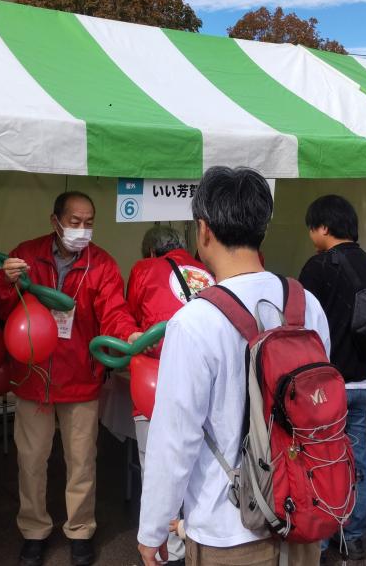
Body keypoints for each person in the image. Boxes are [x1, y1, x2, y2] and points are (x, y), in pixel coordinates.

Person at [137, 167, 330, 566]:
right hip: (301, 512)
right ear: (263, 227)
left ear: (203, 230)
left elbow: (174, 438)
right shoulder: (305, 303)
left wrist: (153, 529)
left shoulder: (194, 321)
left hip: (229, 527)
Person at [0, 191, 139, 566]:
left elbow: (114, 312)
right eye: (74, 222)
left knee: (82, 462)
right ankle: (34, 530)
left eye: (89, 223)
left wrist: (128, 333)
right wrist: (3, 280)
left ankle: (80, 530)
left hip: (80, 378)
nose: (82, 230)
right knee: (31, 460)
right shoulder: (27, 255)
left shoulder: (102, 264)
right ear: (55, 221)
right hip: (33, 376)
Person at [298, 195, 366, 561]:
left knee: (320, 459)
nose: (310, 235)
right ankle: (354, 536)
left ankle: (319, 542)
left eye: (311, 228)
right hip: (362, 384)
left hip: (324, 386)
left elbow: (300, 327)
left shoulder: (317, 268)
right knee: (358, 458)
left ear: (323, 227)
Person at [127, 225, 215, 565]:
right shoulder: (206, 269)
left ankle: (170, 552)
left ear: (150, 252)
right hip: (210, 381)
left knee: (162, 464)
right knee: (204, 467)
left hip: (159, 376)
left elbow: (131, 316)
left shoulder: (144, 269)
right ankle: (197, 540)